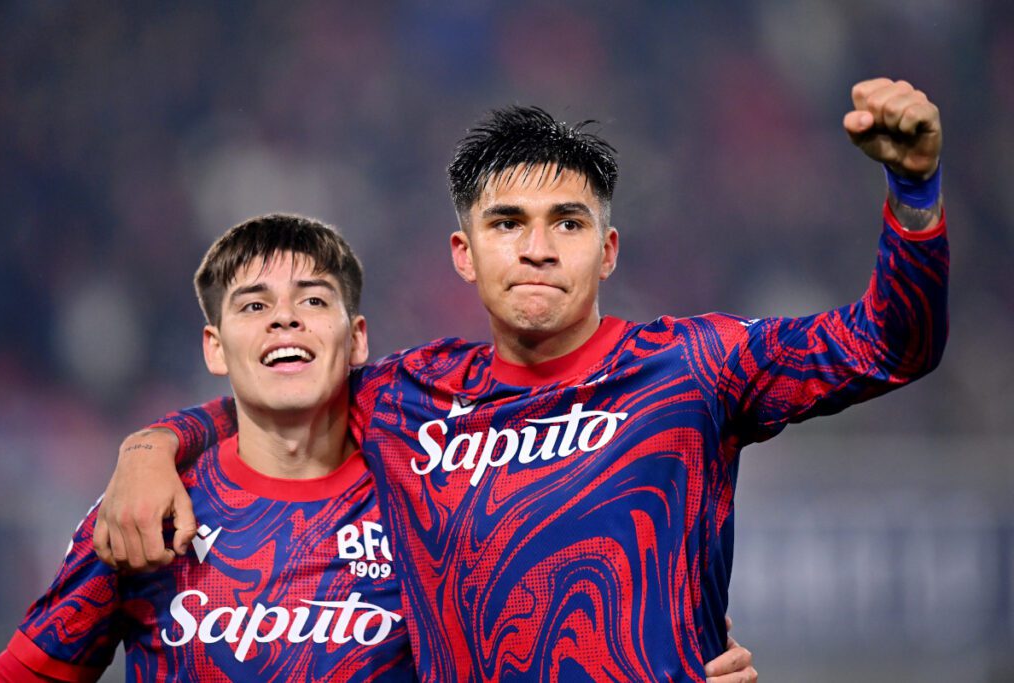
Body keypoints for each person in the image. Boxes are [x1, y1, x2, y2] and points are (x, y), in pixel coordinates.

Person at [97, 76, 944, 682]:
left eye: (567, 222)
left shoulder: (694, 365)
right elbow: (276, 386)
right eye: (508, 222)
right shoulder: (404, 397)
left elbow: (891, 343)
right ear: (464, 253)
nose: (537, 246)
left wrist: (913, 190)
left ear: (606, 249)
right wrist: (151, 447)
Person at [0, 215, 415, 681]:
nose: (284, 317)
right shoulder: (147, 509)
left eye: (313, 300)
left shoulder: (423, 505)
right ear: (215, 348)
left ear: (356, 340)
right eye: (254, 306)